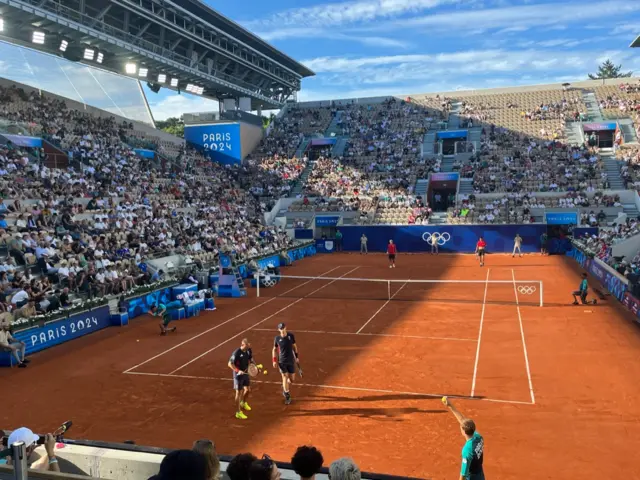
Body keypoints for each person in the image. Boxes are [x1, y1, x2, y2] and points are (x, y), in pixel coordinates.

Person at [442, 397, 485, 480]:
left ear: (464, 432)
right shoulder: (478, 437)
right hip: (480, 474)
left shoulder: (467, 450)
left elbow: (463, 474)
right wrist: (450, 405)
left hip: (472, 477)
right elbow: (462, 420)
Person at [228, 338, 257, 420]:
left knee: (248, 390)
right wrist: (238, 370)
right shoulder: (237, 353)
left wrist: (255, 366)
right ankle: (238, 412)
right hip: (238, 375)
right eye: (248, 344)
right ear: (243, 345)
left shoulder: (248, 350)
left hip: (245, 372)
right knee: (238, 392)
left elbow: (251, 359)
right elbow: (229, 364)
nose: (249, 345)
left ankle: (243, 403)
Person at [272, 322, 298, 405]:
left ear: (285, 327)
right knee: (284, 376)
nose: (282, 329)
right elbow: (274, 350)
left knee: (292, 379)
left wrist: (296, 357)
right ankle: (287, 395)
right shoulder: (277, 338)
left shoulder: (291, 336)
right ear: (278, 330)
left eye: (283, 328)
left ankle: (285, 386)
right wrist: (274, 360)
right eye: (280, 328)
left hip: (291, 360)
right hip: (282, 362)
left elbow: (295, 347)